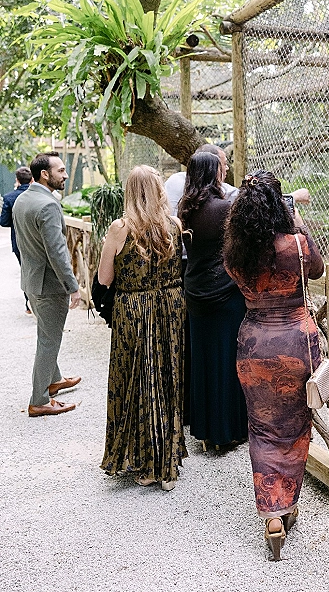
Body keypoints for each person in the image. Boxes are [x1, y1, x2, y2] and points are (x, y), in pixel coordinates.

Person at [223, 171, 324, 561]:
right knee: (296, 424)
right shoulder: (295, 245)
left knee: (262, 427)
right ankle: (290, 502)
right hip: (296, 342)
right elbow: (315, 268)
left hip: (253, 343)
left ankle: (272, 515)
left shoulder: (236, 252)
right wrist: (297, 220)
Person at [98, 165, 187, 490]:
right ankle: (166, 458)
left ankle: (150, 465)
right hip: (171, 307)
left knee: (136, 378)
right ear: (160, 190)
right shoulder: (174, 226)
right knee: (166, 378)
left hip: (134, 310)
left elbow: (104, 278)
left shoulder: (120, 229)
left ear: (130, 193)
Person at [178, 152, 248, 450]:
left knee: (203, 361)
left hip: (194, 290)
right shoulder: (225, 208)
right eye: (221, 168)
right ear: (213, 173)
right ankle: (226, 431)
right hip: (224, 293)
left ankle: (205, 431)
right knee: (227, 360)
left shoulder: (185, 209)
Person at [12, 153, 82, 417]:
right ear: (45, 174)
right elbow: (57, 251)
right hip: (49, 285)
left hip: (30, 281)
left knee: (47, 335)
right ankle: (39, 399)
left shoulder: (22, 199)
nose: (64, 175)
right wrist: (72, 285)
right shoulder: (48, 205)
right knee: (49, 340)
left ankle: (54, 380)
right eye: (61, 170)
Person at [1, 165, 33, 313]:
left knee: (25, 271)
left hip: (18, 241)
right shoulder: (37, 195)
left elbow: (3, 221)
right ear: (32, 179)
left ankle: (29, 303)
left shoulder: (9, 197)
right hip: (36, 240)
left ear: (17, 180)